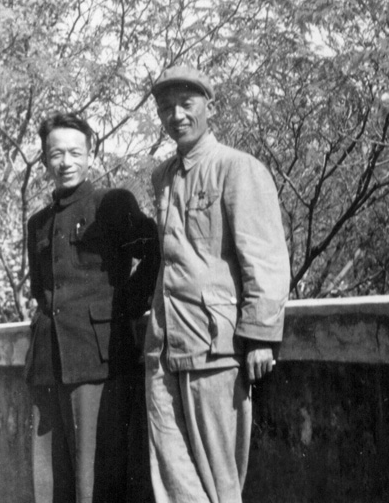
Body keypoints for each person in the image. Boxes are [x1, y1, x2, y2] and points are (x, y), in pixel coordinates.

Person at [145, 66, 290, 502]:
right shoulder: (162, 177)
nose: (176, 116)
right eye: (166, 108)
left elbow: (264, 256)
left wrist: (260, 335)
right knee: (172, 481)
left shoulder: (237, 168)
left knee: (220, 481)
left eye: (186, 104)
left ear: (211, 107)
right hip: (163, 348)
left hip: (214, 348)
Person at [25, 112, 159, 503]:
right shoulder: (38, 223)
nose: (65, 162)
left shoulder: (110, 204)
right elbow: (41, 291)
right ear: (45, 159)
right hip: (48, 365)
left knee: (97, 482)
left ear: (91, 154)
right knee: (51, 484)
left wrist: (124, 306)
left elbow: (155, 253)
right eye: (56, 154)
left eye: (75, 152)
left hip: (98, 361)